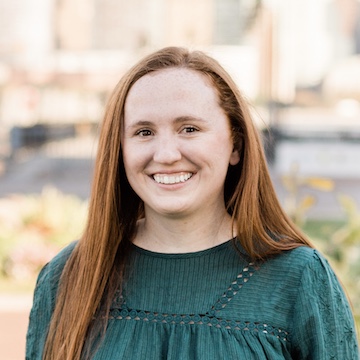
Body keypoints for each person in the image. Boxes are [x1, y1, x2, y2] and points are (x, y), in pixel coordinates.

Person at [26, 46, 359, 360]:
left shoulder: (298, 279)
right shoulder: (68, 276)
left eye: (189, 128)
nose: (167, 154)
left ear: (235, 145)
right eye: (144, 132)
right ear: (120, 148)